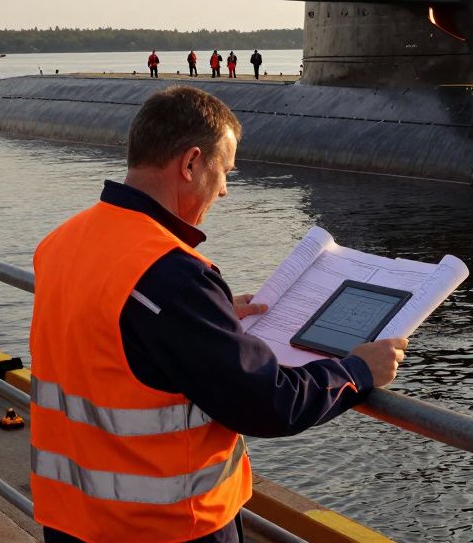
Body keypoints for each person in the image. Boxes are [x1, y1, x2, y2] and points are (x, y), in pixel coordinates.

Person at [30, 86, 406, 543]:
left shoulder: (63, 241)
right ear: (191, 163)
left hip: (72, 517)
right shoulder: (172, 277)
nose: (225, 190)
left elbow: (110, 337)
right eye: (225, 171)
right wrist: (357, 371)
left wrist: (209, 318)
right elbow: (268, 405)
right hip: (166, 528)